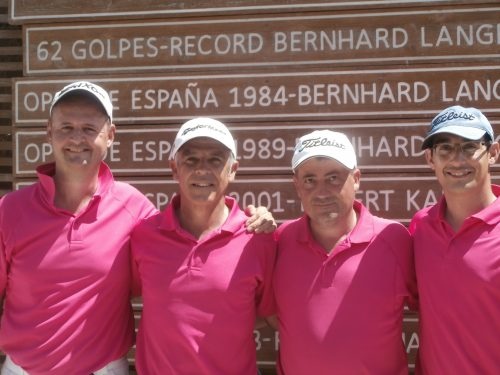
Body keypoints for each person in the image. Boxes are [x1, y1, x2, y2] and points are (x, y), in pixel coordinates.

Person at [0, 82, 273, 375]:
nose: (77, 138)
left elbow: (195, 244)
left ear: (110, 136)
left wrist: (254, 218)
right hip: (23, 369)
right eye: (66, 126)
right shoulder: (9, 210)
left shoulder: (134, 210)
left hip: (103, 369)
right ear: (49, 132)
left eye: (90, 128)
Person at [130, 117, 277, 374]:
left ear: (233, 170)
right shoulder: (144, 235)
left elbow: (268, 313)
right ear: (174, 168)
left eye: (215, 160)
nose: (202, 169)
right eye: (191, 159)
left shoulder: (257, 238)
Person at [272, 130, 417, 374]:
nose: (321, 192)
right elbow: (267, 312)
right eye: (310, 180)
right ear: (297, 185)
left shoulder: (393, 239)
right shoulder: (280, 241)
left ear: (356, 178)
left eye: (333, 178)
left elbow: (434, 310)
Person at [410, 105, 500, 374]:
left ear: (493, 153)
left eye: (469, 147)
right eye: (445, 149)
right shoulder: (421, 227)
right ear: (430, 159)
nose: (457, 160)